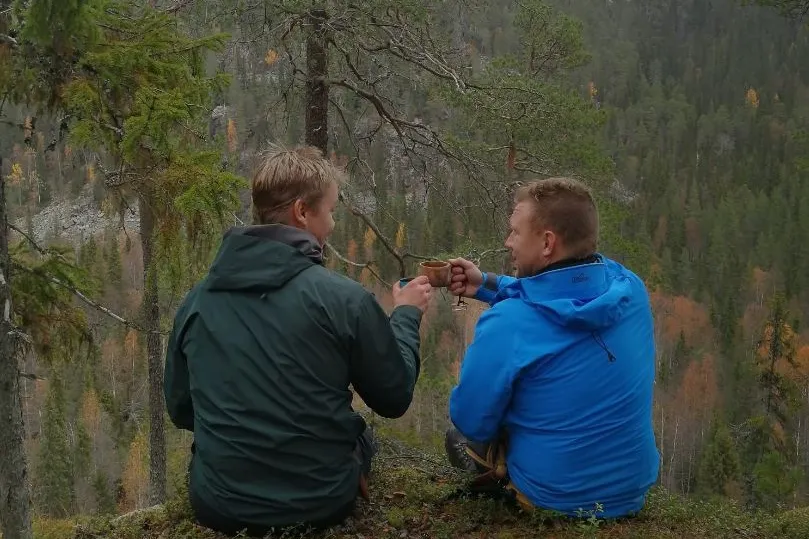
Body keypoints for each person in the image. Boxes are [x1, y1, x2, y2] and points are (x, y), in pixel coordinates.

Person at [164, 145, 432, 535]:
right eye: (331, 212)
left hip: (218, 504)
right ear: (302, 212)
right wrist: (406, 315)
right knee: (362, 439)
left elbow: (181, 410)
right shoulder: (344, 299)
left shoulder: (197, 301)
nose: (334, 225)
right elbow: (393, 397)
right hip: (320, 501)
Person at [445, 177, 659, 519]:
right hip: (630, 493)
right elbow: (563, 294)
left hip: (554, 499)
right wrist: (487, 284)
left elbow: (472, 422)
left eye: (515, 232)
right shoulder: (630, 288)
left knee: (459, 432)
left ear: (547, 243)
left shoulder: (507, 324)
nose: (507, 241)